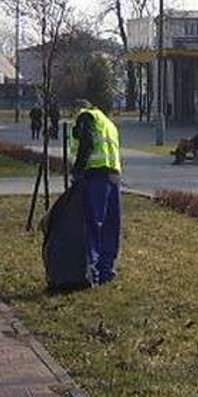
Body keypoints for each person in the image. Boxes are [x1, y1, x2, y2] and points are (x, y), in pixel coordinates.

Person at [69, 98, 122, 286]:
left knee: (92, 224)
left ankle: (91, 271)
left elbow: (87, 144)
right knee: (110, 225)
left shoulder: (86, 116)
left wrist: (77, 171)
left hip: (95, 176)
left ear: (79, 108)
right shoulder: (107, 122)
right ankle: (106, 270)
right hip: (113, 176)